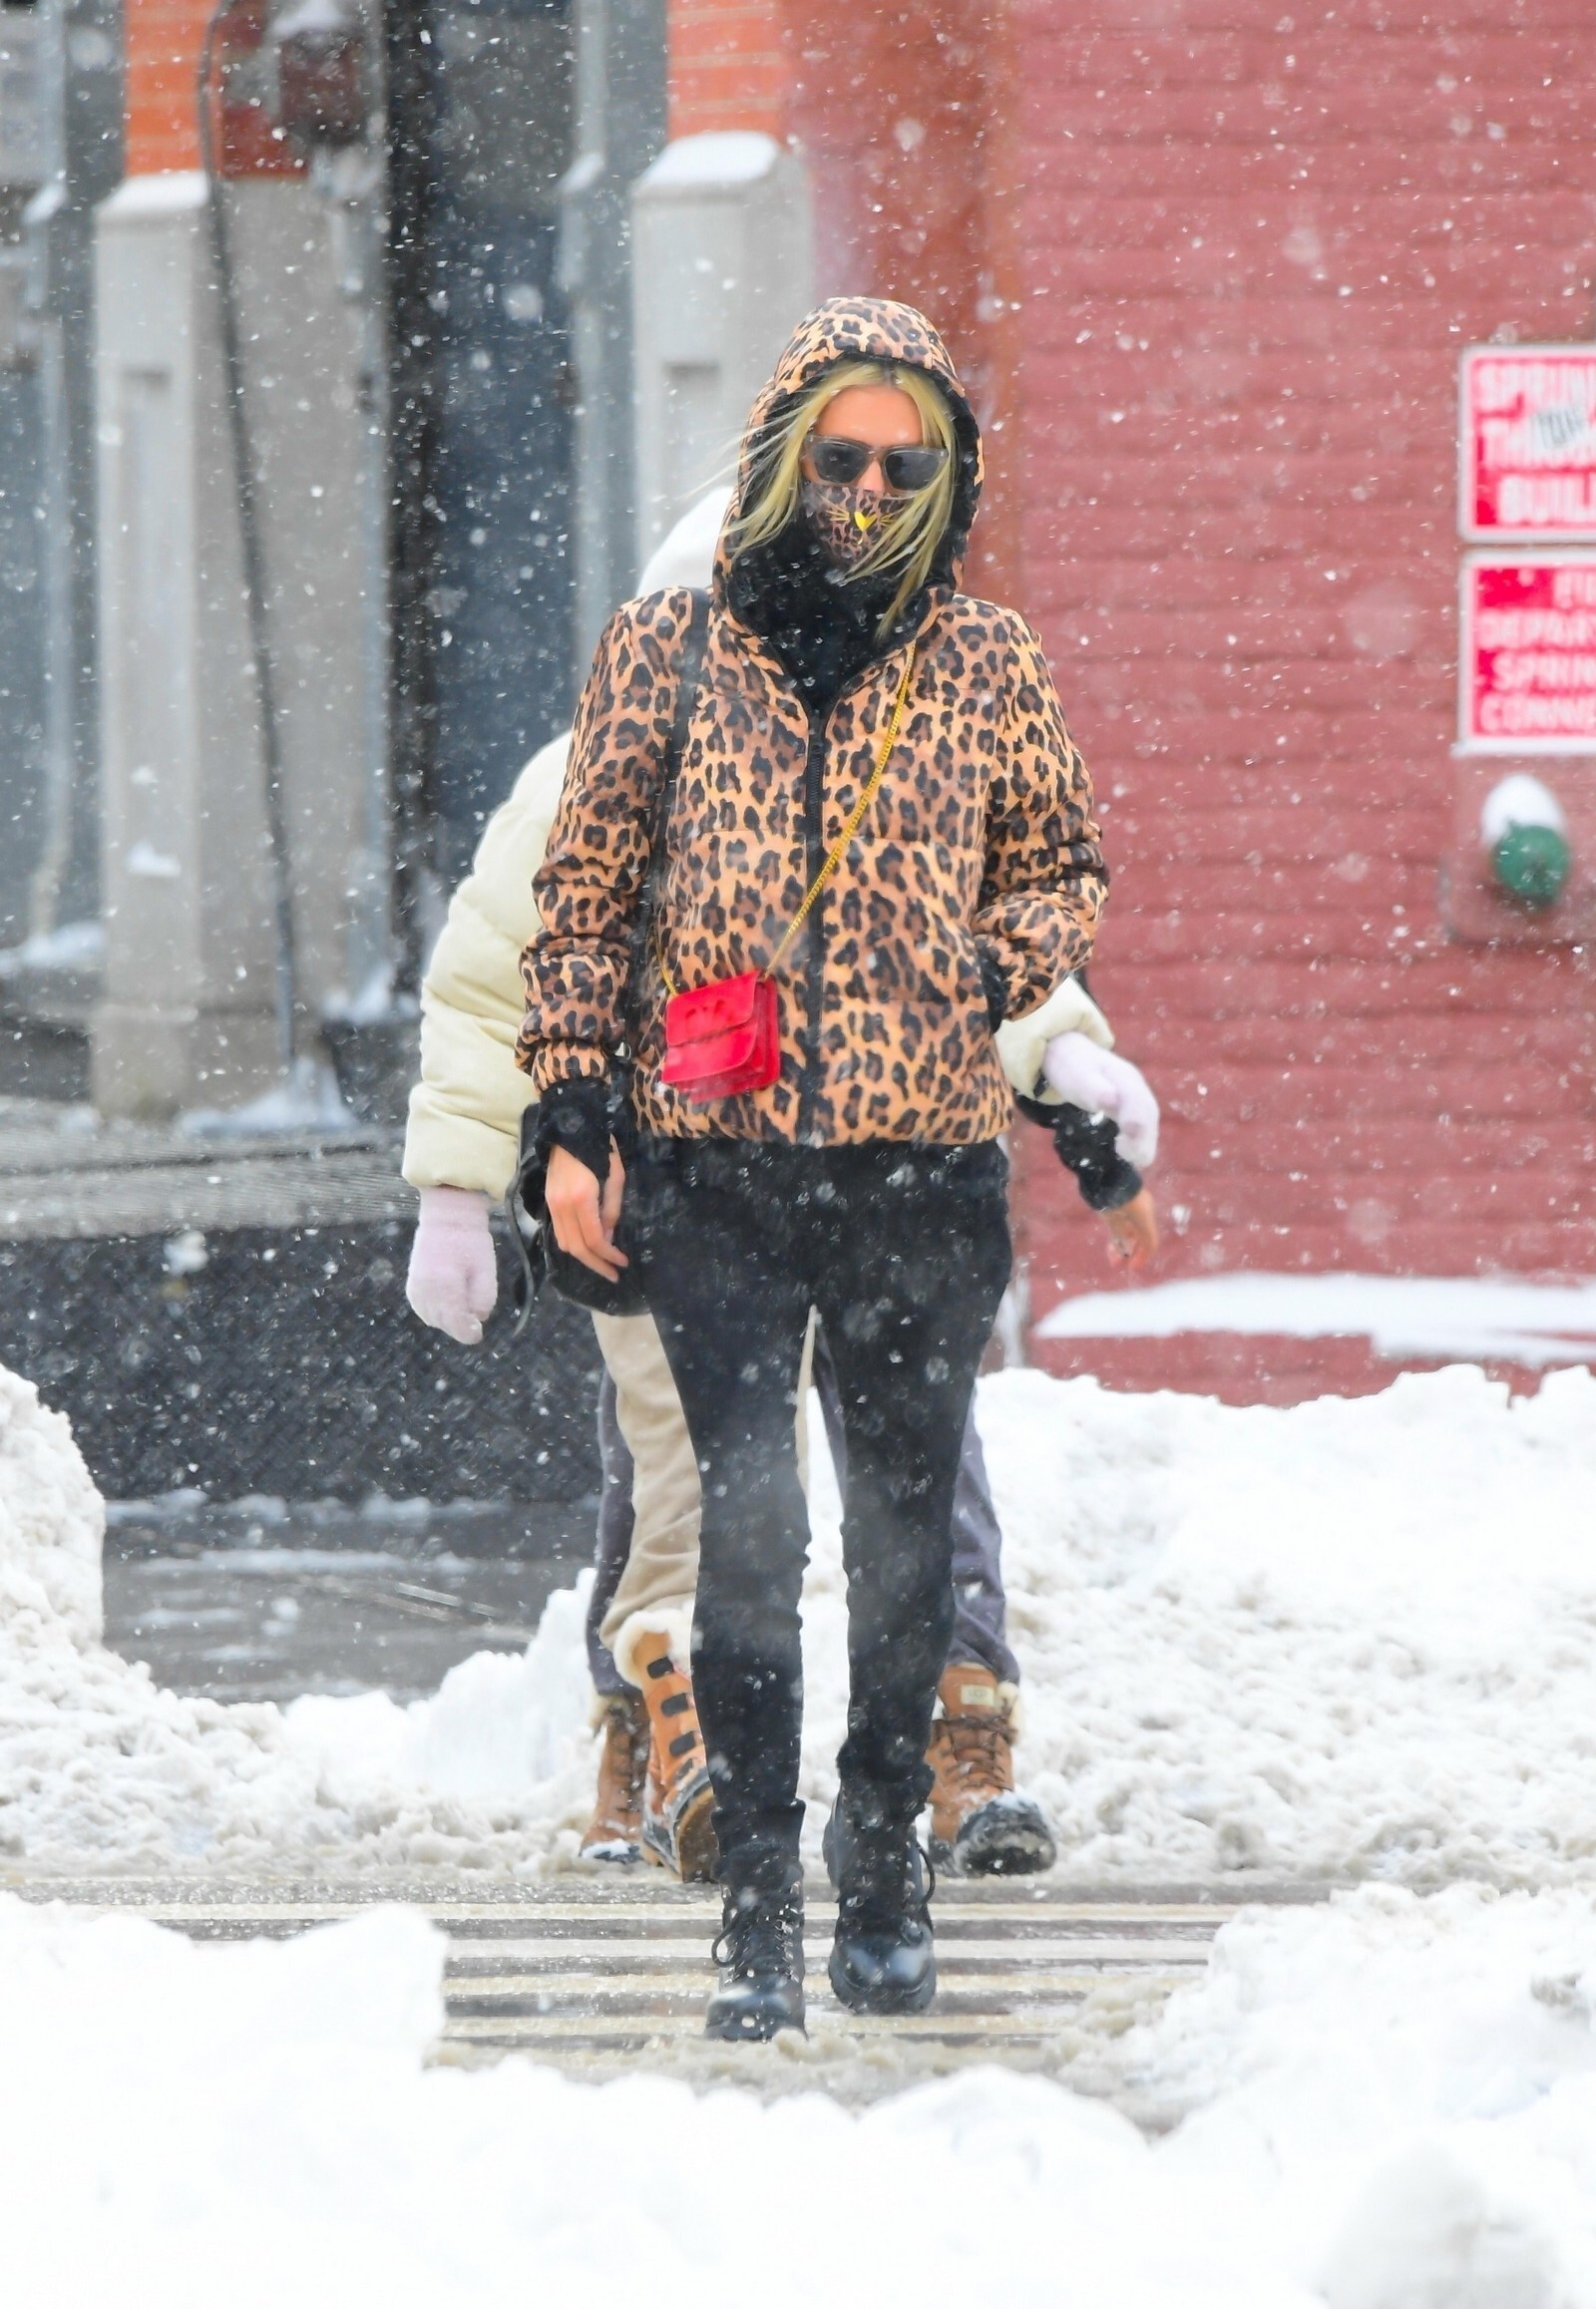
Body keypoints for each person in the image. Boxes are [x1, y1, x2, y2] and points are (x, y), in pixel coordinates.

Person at [402, 492, 1159, 1886]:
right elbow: (495, 981)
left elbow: (986, 955)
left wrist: (1068, 1066)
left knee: (915, 1458)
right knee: (675, 1461)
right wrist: (460, 1190)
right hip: (683, 1183)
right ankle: (654, 1733)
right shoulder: (590, 772)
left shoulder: (911, 754)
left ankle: (957, 1723)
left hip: (888, 1172)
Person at [519, 298, 1108, 2041]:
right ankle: (761, 1901)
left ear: (946, 481)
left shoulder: (986, 660)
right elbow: (584, 899)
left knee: (906, 1538)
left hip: (921, 1170)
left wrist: (980, 970)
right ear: (786, 452)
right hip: (720, 1171)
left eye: (907, 468)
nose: (868, 492)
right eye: (843, 456)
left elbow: (1063, 866)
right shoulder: (669, 649)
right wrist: (570, 1114)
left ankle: (885, 1856)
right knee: (753, 1538)